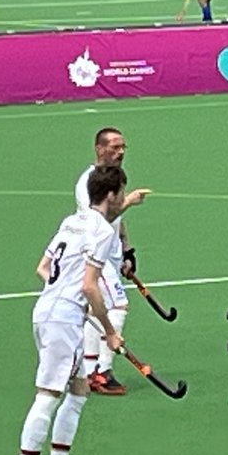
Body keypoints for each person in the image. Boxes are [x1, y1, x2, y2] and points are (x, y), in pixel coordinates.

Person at [6, 165, 149, 455]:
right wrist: (110, 333)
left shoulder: (72, 222)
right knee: (48, 395)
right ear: (111, 195)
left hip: (47, 313)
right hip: (62, 321)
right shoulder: (102, 231)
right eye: (120, 195)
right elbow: (90, 286)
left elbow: (43, 268)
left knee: (80, 389)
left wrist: (65, 297)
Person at [74, 129, 143, 395]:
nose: (121, 151)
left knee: (97, 310)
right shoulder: (88, 182)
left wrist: (127, 249)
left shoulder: (110, 178)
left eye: (123, 146)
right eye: (114, 147)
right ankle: (101, 370)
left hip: (110, 256)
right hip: (95, 256)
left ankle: (91, 369)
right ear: (99, 149)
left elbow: (115, 220)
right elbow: (98, 219)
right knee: (118, 307)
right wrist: (129, 201)